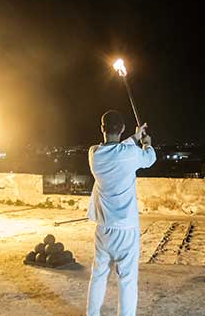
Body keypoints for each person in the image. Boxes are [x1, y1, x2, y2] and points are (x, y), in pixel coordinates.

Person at [86, 110, 156, 316]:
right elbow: (150, 159)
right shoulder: (130, 154)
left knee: (98, 275)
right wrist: (146, 142)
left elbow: (118, 149)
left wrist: (135, 136)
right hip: (126, 228)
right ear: (122, 128)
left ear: (102, 128)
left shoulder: (94, 153)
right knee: (127, 281)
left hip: (103, 228)